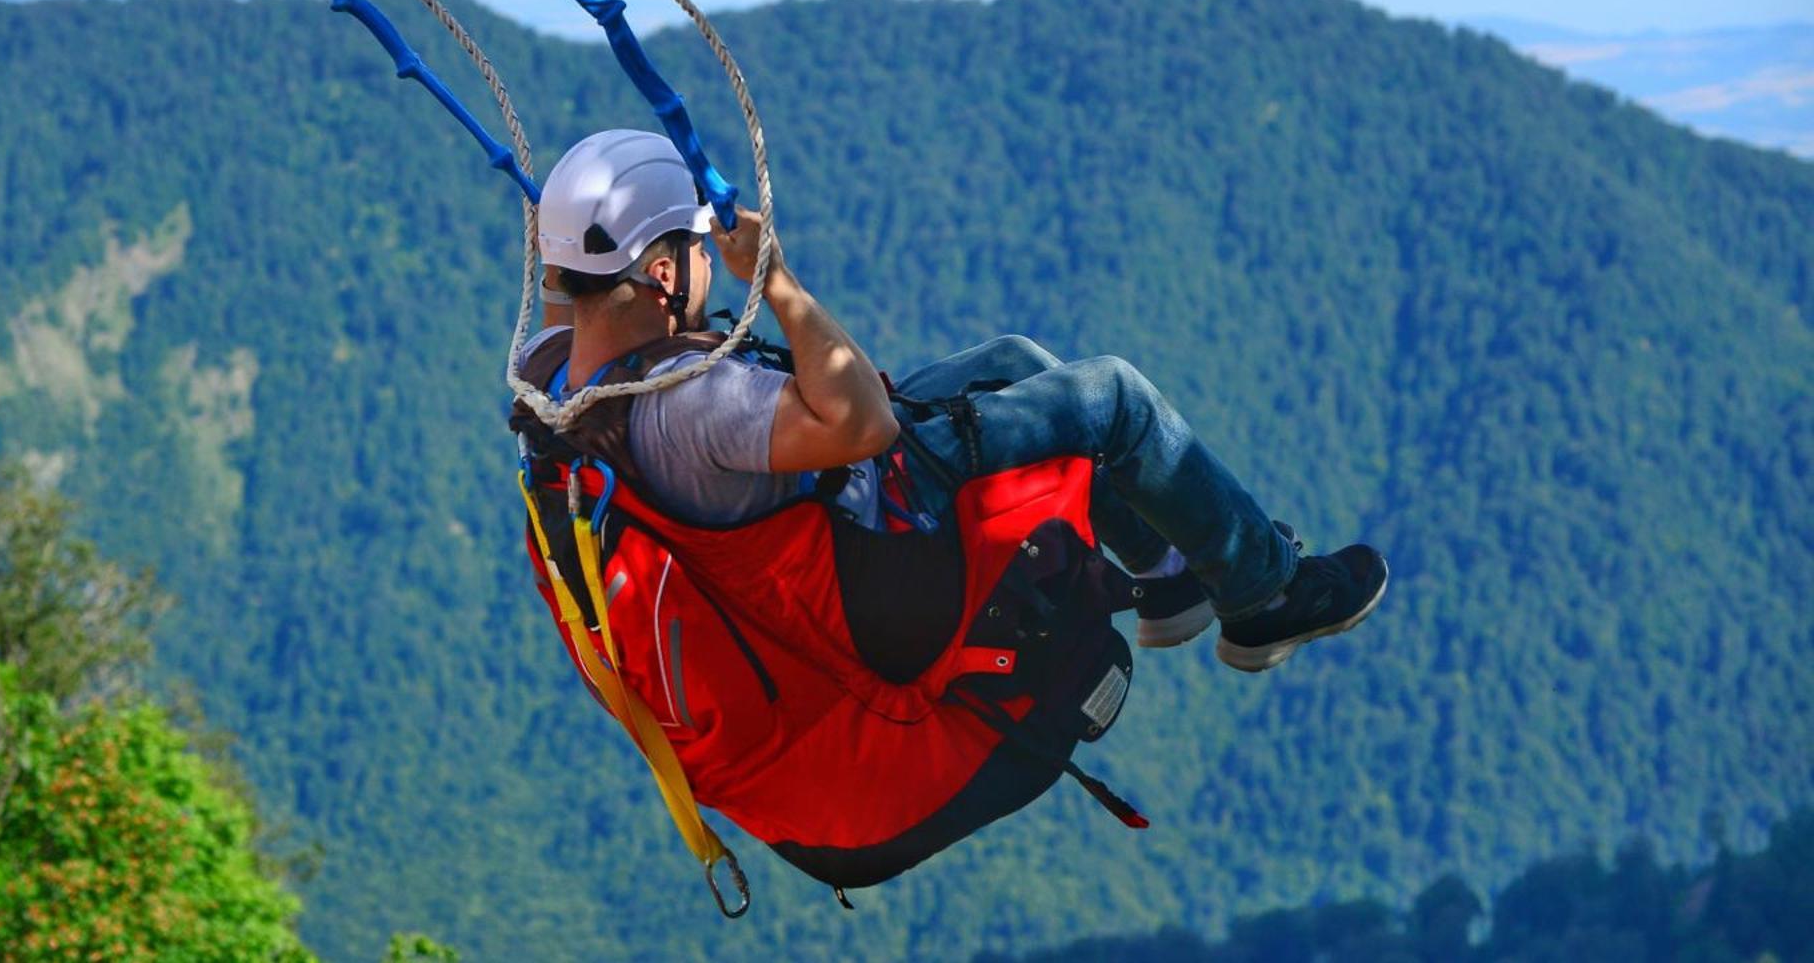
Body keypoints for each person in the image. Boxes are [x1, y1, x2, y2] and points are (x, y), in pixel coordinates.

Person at [522, 128, 1386, 673]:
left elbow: (578, 286)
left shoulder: (548, 373)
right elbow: (867, 424)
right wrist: (779, 281)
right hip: (880, 510)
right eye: (701, 244)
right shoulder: (697, 401)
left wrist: (565, 216)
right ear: (665, 277)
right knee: (1113, 395)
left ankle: (1162, 576)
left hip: (805, 488)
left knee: (1015, 360)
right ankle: (1263, 592)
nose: (719, 253)